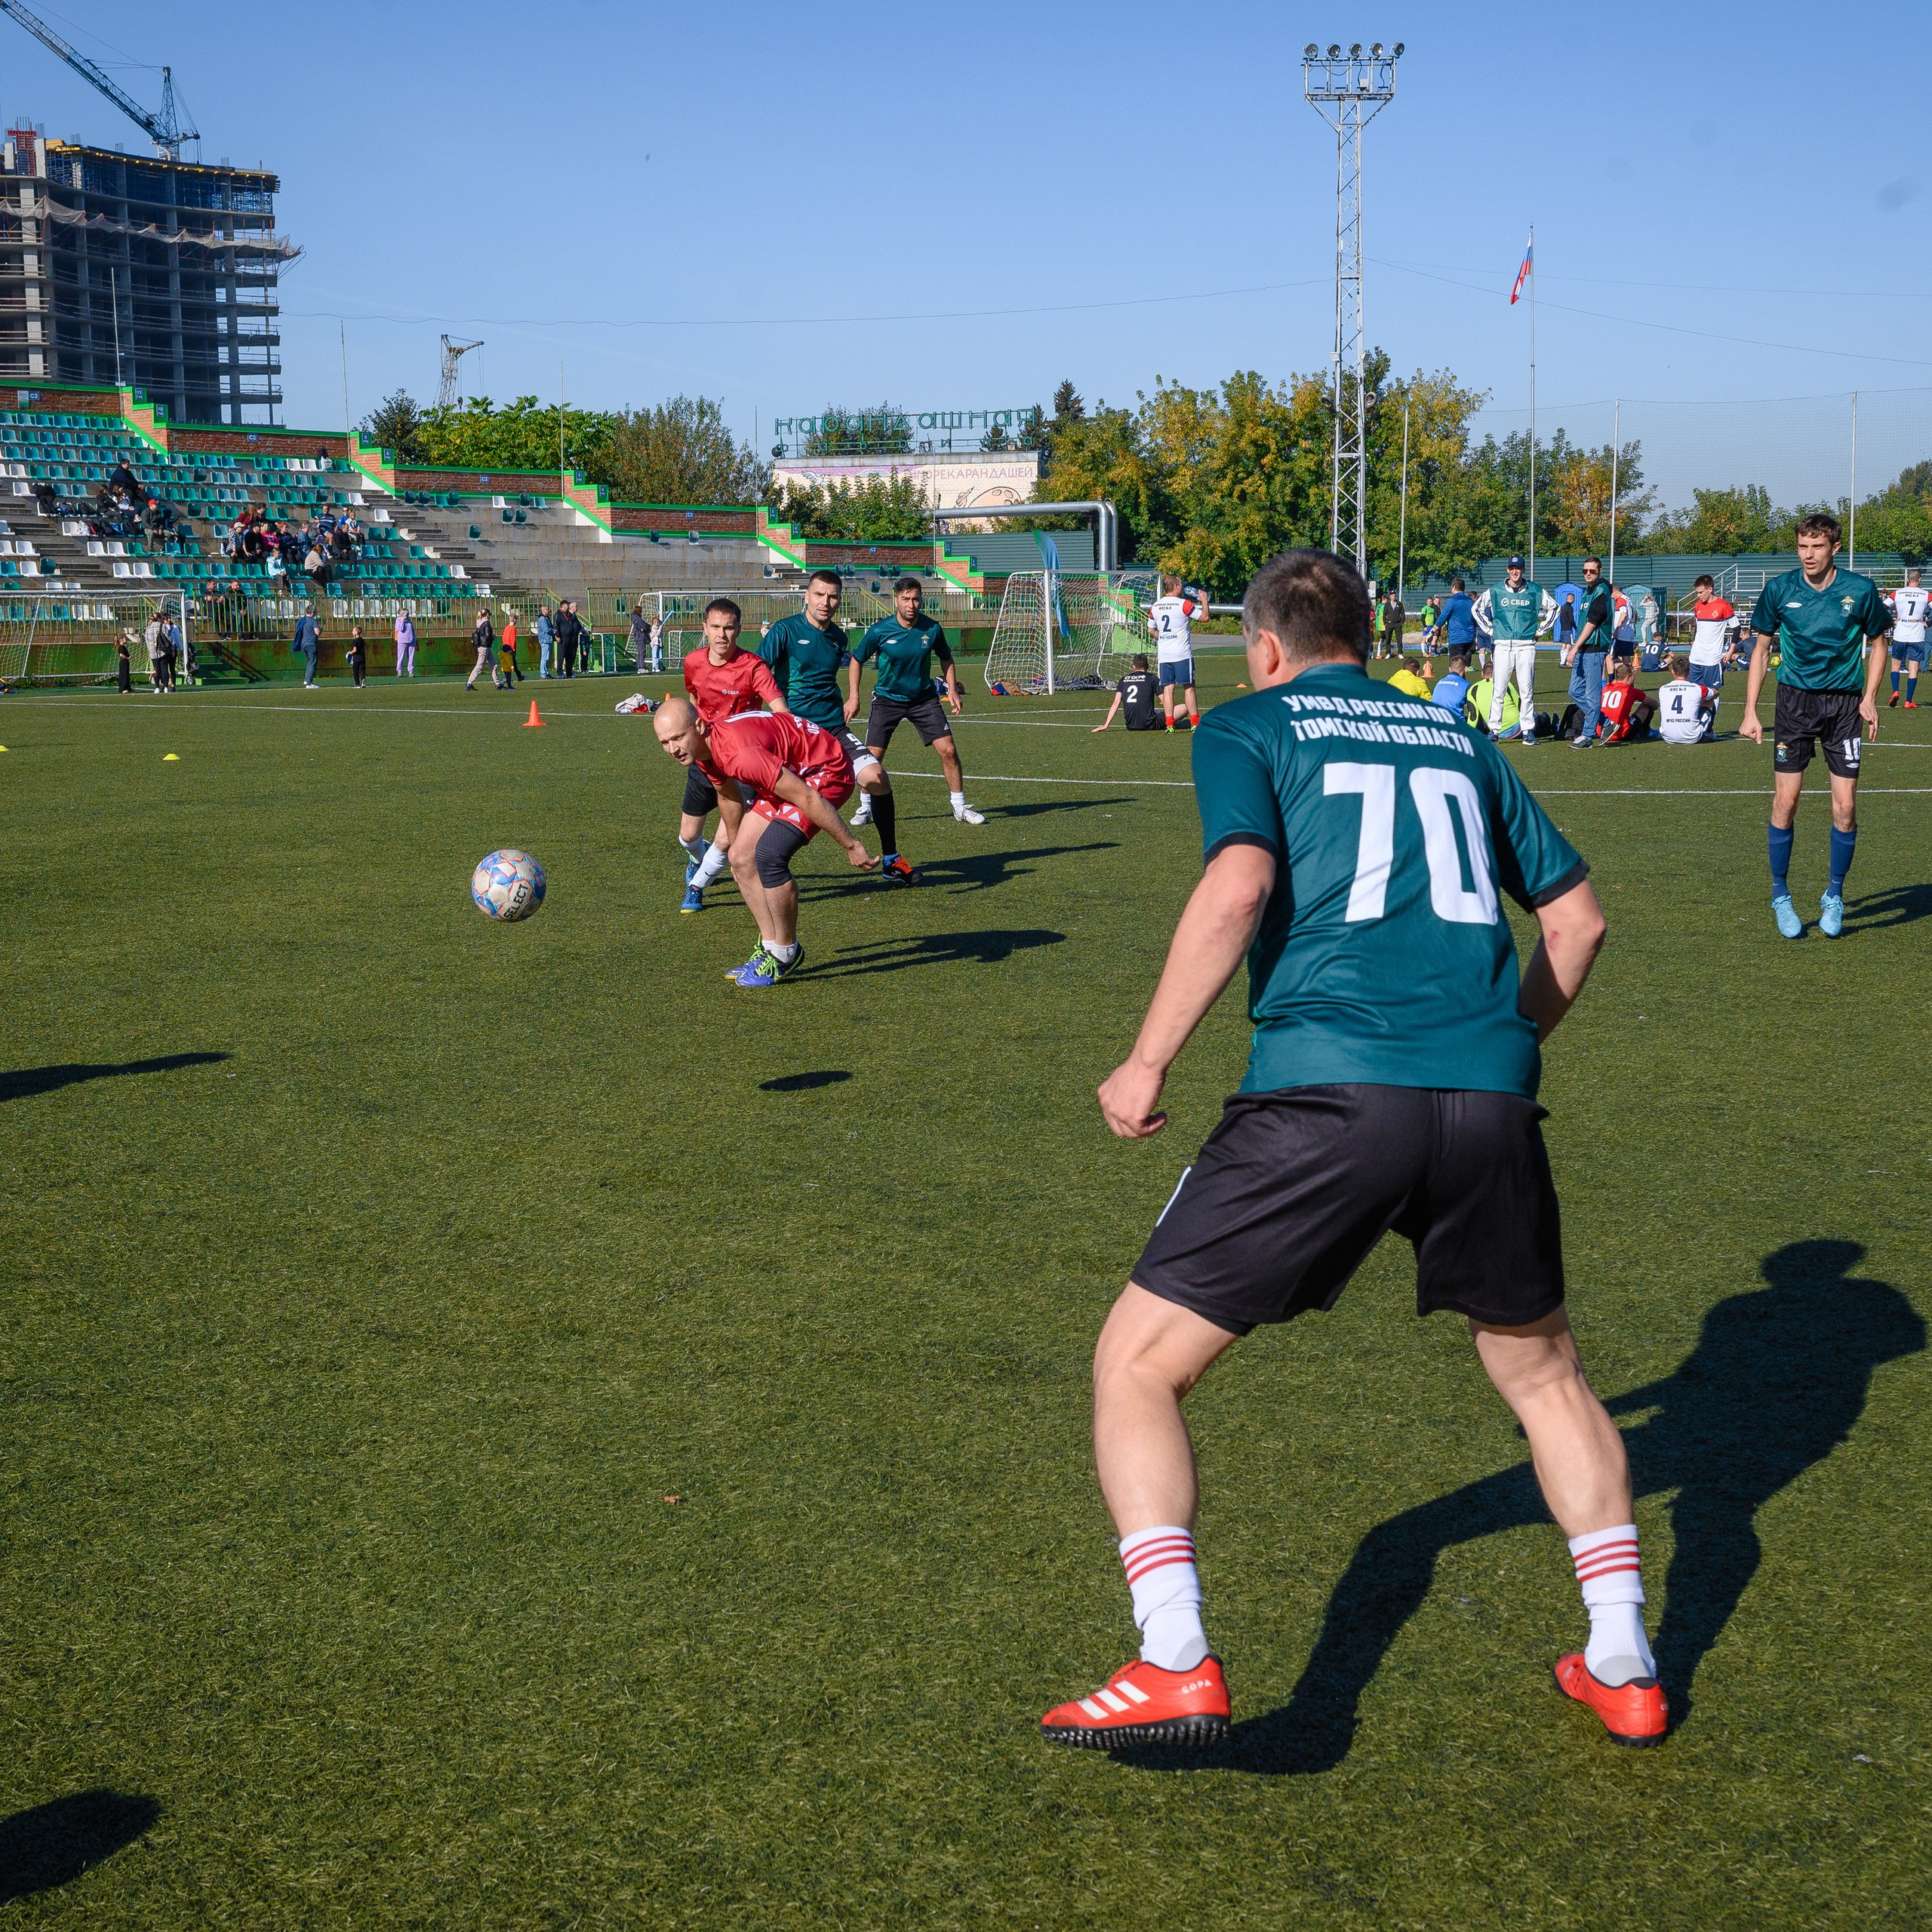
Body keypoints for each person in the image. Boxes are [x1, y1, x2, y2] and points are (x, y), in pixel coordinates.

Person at [1036, 548, 1654, 1754]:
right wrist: (1495, 1047)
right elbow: (1577, 920)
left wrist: (1146, 1059)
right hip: (1487, 1102)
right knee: (1545, 1377)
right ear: (1369, 637)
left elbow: (1239, 885)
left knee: (1138, 1367)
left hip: (1328, 1091)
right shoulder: (1458, 733)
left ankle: (1172, 1655)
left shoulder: (1250, 722)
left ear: (1265, 645)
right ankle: (1624, 1657)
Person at [652, 695, 877, 986]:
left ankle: (786, 953)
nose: (673, 749)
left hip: (825, 770)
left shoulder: (737, 753)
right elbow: (730, 797)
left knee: (770, 856)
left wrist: (851, 845)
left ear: (699, 726)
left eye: (677, 738)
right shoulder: (703, 749)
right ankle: (770, 949)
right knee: (741, 860)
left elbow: (807, 797)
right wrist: (737, 849)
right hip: (790, 767)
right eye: (664, 743)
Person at [1742, 510, 1892, 940]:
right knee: (1785, 803)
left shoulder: (1860, 591)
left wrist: (1869, 698)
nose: (1808, 555)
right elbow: (1761, 649)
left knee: (1844, 808)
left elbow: (1879, 645)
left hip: (1844, 707)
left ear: (1834, 549)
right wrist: (1751, 710)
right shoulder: (1779, 589)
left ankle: (1834, 895)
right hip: (1794, 704)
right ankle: (1780, 894)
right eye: (1802, 547)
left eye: (1817, 547)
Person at [759, 569, 914, 882]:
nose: (825, 602)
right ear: (807, 595)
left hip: (833, 729)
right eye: (819, 594)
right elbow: (757, 673)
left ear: (839, 600)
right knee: (760, 807)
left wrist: (852, 699)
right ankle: (711, 865)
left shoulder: (838, 637)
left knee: (876, 777)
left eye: (832, 596)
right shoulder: (784, 630)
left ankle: (891, 860)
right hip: (794, 733)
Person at [676, 597, 792, 913]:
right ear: (705, 628)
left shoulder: (754, 667)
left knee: (728, 836)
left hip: (742, 764)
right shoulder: (693, 662)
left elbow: (781, 711)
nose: (721, 635)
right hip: (705, 759)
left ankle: (696, 886)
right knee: (688, 837)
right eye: (715, 627)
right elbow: (693, 697)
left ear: (739, 629)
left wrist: (783, 739)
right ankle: (699, 862)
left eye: (728, 628)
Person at [851, 577, 986, 825]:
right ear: (896, 601)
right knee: (873, 757)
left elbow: (946, 658)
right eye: (905, 599)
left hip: (923, 700)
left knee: (949, 750)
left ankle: (959, 806)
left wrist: (952, 689)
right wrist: (854, 697)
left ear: (921, 600)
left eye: (915, 599)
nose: (911, 604)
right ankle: (865, 807)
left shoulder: (932, 628)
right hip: (886, 699)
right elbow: (857, 660)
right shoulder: (880, 630)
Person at [1473, 557, 1556, 746]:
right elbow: (1476, 608)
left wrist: (1541, 630)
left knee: (1526, 690)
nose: (1514, 572)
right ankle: (1494, 730)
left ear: (1524, 569)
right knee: (1499, 689)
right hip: (1502, 646)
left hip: (1526, 646)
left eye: (1518, 568)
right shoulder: (1495, 590)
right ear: (1507, 569)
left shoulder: (1535, 590)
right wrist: (1490, 629)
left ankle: (1528, 731)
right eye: (1512, 568)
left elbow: (1554, 608)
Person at [1563, 558, 1615, 748]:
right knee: (1574, 691)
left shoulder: (1601, 591)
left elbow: (1592, 623)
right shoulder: (1587, 592)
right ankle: (1606, 722)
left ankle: (1588, 735)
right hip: (1584, 649)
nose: (1587, 573)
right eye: (1585, 570)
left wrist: (1574, 647)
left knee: (1593, 695)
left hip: (1594, 649)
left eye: (1592, 571)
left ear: (1599, 571)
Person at [1147, 574, 1204, 730]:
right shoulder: (1183, 604)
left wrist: (1164, 638)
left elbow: (1151, 629)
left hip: (1164, 655)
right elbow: (1205, 617)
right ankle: (1195, 723)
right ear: (1177, 587)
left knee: (1168, 689)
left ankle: (1170, 724)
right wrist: (1204, 602)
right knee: (1189, 688)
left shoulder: (1156, 606)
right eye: (1181, 585)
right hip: (1182, 654)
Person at [1687, 576, 1735, 715]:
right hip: (1696, 658)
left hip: (1712, 658)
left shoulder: (1723, 606)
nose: (1698, 595)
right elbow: (1698, 626)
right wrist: (1695, 641)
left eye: (1701, 592)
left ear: (1710, 589)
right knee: (1693, 690)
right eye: (1697, 592)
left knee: (1712, 692)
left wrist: (1730, 651)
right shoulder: (1698, 605)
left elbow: (1736, 628)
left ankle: (1709, 727)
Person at [1884, 566, 1927, 708]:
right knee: (1913, 668)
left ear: (1908, 579)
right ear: (1920, 580)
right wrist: (1928, 623)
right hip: (1917, 634)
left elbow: (1882, 607)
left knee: (1895, 666)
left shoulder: (1897, 593)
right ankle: (1908, 700)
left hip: (1900, 632)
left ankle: (1895, 691)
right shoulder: (1926, 595)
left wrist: (1890, 622)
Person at [1656, 655, 1717, 746]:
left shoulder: (1663, 689)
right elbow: (1715, 694)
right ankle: (1709, 732)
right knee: (1709, 700)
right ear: (1689, 672)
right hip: (1692, 737)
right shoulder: (1697, 688)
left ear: (1673, 672)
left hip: (1667, 737)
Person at [1094, 653, 1163, 732]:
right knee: (1178, 709)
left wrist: (1106, 725)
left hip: (1131, 726)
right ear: (1148, 666)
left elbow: (1116, 702)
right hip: (1150, 724)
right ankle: (1173, 723)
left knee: (1155, 712)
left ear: (1133, 667)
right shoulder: (1152, 678)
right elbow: (1165, 701)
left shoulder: (1123, 680)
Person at [1597, 668, 1656, 744]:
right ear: (1627, 678)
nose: (1634, 678)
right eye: (1633, 677)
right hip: (1622, 734)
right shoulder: (1631, 691)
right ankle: (1646, 731)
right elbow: (1655, 704)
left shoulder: (1606, 688)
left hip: (1601, 732)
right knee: (1647, 705)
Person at [466, 607, 499, 692]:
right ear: (487, 615)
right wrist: (493, 637)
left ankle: (497, 684)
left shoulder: (480, 623)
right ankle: (469, 683)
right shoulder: (486, 623)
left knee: (494, 665)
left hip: (485, 646)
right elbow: (487, 635)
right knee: (480, 666)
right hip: (485, 647)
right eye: (489, 614)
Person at [1432, 651, 1472, 718]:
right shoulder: (1466, 685)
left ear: (1450, 669)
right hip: (1455, 723)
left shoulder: (1440, 682)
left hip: (1436, 720)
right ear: (1465, 669)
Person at [293, 603, 321, 689]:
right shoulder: (313, 621)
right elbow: (317, 633)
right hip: (311, 644)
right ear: (312, 612)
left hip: (303, 644)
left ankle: (306, 679)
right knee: (312, 663)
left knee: (309, 662)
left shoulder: (302, 620)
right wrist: (321, 630)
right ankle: (309, 682)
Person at [555, 601, 583, 678]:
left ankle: (569, 672)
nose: (569, 606)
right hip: (563, 637)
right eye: (568, 605)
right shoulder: (558, 614)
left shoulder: (567, 614)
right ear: (564, 605)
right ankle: (559, 672)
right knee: (561, 655)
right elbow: (556, 625)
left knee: (569, 656)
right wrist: (558, 636)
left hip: (569, 637)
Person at [629, 601, 653, 675]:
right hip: (640, 637)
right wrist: (648, 628)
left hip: (638, 637)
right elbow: (644, 627)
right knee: (642, 652)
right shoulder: (638, 620)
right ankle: (641, 667)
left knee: (640, 653)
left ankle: (640, 666)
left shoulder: (636, 619)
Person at [500, 611, 522, 686]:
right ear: (515, 620)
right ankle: (505, 679)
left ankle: (519, 676)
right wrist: (513, 647)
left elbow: (504, 638)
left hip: (505, 647)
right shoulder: (513, 628)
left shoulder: (506, 628)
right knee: (510, 664)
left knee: (513, 663)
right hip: (510, 648)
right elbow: (513, 638)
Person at [394, 609, 417, 678]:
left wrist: (414, 639)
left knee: (411, 657)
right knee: (401, 657)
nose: (406, 614)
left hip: (411, 641)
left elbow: (412, 631)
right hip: (402, 641)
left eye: (407, 613)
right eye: (404, 612)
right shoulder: (398, 620)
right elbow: (400, 629)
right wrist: (402, 620)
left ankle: (411, 671)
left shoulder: (409, 621)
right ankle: (399, 671)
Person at [536, 602, 555, 678]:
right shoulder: (542, 619)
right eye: (547, 609)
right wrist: (554, 631)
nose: (549, 610)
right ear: (543, 610)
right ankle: (543, 673)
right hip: (545, 640)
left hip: (548, 640)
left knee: (547, 657)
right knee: (545, 657)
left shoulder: (546, 618)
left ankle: (546, 672)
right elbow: (546, 629)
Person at [346, 624, 368, 688]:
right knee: (362, 670)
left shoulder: (355, 641)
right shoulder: (362, 640)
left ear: (356, 632)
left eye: (353, 631)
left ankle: (357, 683)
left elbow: (355, 650)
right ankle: (363, 679)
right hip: (362, 658)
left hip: (356, 659)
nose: (352, 632)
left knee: (356, 671)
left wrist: (350, 653)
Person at [116, 628, 134, 694]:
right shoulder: (121, 647)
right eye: (125, 639)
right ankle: (123, 689)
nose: (126, 640)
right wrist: (128, 658)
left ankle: (128, 688)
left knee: (126, 675)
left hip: (125, 663)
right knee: (124, 675)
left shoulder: (123, 647)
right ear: (121, 639)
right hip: (124, 662)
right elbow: (121, 655)